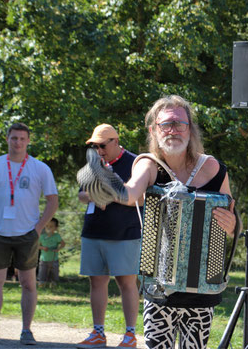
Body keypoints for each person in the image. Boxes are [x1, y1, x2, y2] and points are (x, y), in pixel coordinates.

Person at [113, 95, 238, 349]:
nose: (173, 130)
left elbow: (233, 216)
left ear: (190, 129)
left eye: (179, 124)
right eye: (165, 125)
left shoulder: (212, 168)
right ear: (153, 130)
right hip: (160, 287)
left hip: (202, 287)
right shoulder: (149, 165)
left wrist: (231, 224)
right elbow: (130, 193)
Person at [0, 122, 59, 345]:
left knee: (28, 283)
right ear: (7, 139)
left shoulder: (40, 168)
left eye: (22, 139)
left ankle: (26, 331)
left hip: (27, 234)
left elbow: (53, 200)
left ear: (28, 141)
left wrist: (38, 228)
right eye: (14, 138)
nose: (18, 142)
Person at [77, 124, 140, 348]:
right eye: (95, 146)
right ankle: (98, 333)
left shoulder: (135, 163)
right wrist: (96, 194)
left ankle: (130, 335)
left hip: (125, 233)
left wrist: (110, 193)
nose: (99, 150)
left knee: (126, 283)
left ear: (115, 141)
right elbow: (82, 195)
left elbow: (140, 198)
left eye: (102, 145)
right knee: (96, 281)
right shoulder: (94, 163)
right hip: (94, 230)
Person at [38, 217, 65, 287]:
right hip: (43, 259)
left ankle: (53, 283)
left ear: (56, 228)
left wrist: (58, 249)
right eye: (47, 226)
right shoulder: (42, 236)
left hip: (54, 259)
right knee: (42, 271)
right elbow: (36, 246)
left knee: (54, 272)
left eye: (51, 226)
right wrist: (43, 248)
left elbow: (63, 243)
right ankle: (42, 282)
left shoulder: (57, 236)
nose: (48, 228)